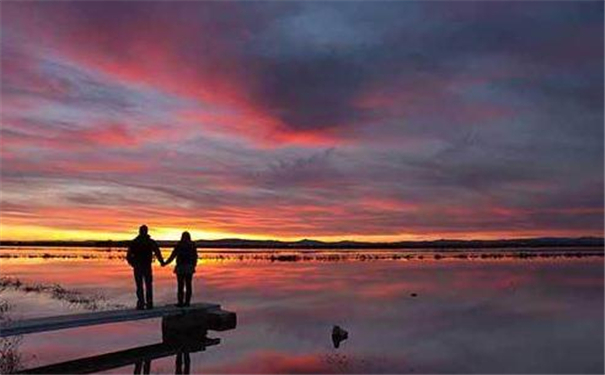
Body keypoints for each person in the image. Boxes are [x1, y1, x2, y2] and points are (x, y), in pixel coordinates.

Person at [126, 225, 164, 310]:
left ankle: (142, 304)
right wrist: (162, 262)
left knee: (142, 285)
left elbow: (128, 256)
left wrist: (133, 264)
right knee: (146, 285)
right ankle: (147, 303)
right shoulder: (145, 242)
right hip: (143, 266)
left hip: (142, 267)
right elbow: (157, 252)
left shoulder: (136, 242)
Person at [162, 231, 198, 307]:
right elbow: (195, 257)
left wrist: (165, 263)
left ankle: (181, 302)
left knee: (181, 285)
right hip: (188, 267)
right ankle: (187, 302)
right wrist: (194, 265)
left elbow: (173, 255)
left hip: (182, 267)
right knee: (188, 285)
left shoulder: (180, 245)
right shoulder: (192, 245)